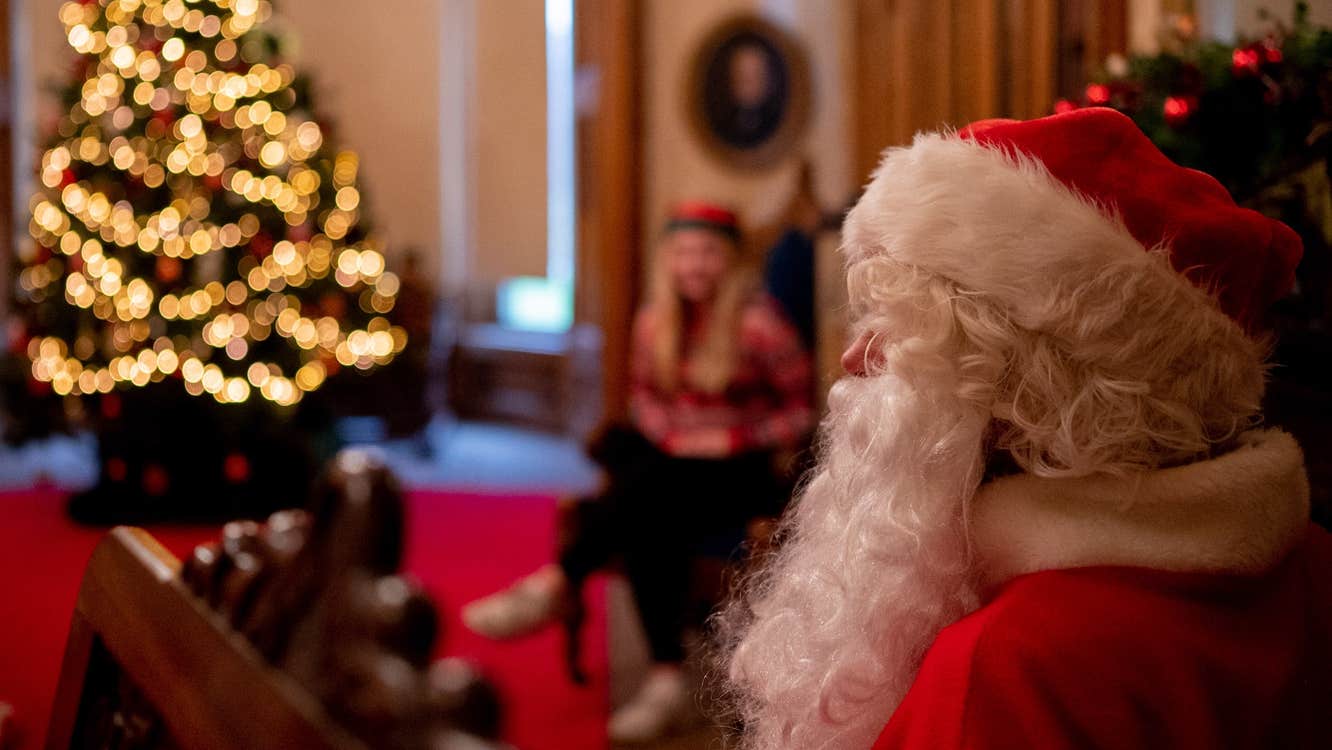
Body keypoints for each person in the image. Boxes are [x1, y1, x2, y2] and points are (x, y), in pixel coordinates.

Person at [718, 107, 1331, 749]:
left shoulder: (1008, 666)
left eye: (904, 329)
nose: (854, 358)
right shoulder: (1311, 558)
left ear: (1036, 385)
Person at [464, 201, 813, 743]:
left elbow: (800, 411)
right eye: (683, 253)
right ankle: (665, 678)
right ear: (667, 261)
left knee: (649, 485)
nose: (694, 266)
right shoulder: (655, 322)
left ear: (729, 261)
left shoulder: (760, 323)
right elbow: (643, 398)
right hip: (671, 465)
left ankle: (560, 580)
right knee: (654, 509)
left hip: (737, 467)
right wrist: (669, 434)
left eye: (707, 253)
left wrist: (727, 438)